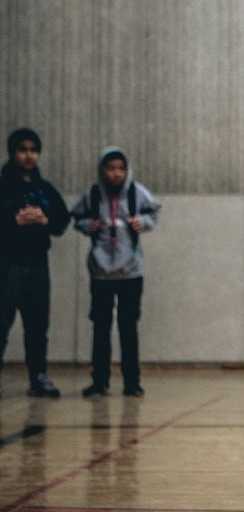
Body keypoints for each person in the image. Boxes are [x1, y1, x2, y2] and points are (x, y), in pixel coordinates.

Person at [71, 147, 161, 398]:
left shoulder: (136, 193)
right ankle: (99, 381)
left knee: (128, 327)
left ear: (127, 170)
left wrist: (143, 223)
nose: (116, 174)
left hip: (130, 272)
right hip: (100, 272)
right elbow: (76, 217)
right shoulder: (92, 195)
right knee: (100, 328)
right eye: (110, 168)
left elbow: (153, 212)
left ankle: (132, 382)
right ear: (103, 170)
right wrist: (89, 225)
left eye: (121, 168)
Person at [0, 127, 69, 398]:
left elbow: (63, 220)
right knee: (2, 324)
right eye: (23, 150)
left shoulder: (44, 188)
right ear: (13, 152)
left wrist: (46, 220)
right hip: (8, 266)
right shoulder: (3, 185)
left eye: (33, 150)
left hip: (38, 265)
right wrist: (12, 221)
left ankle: (38, 376)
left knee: (38, 325)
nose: (29, 156)